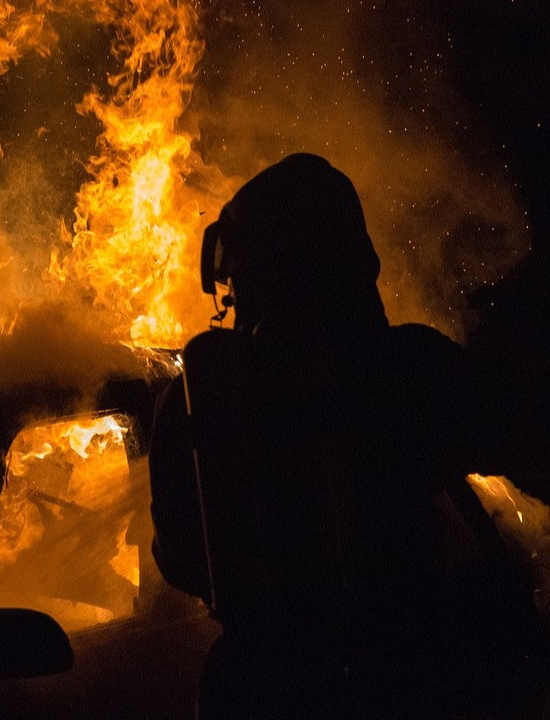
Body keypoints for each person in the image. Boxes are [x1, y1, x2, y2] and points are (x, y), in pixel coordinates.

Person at [149, 153, 549, 718]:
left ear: (250, 275)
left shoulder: (204, 395)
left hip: (265, 688)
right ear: (354, 255)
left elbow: (180, 559)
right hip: (410, 675)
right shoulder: (411, 367)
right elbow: (524, 442)